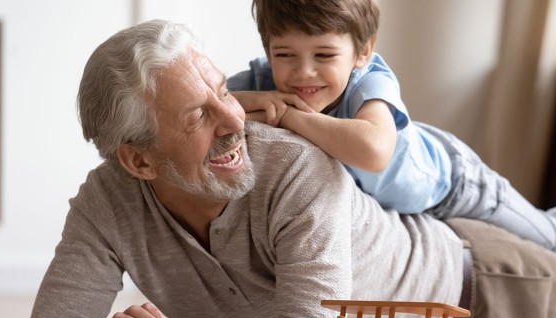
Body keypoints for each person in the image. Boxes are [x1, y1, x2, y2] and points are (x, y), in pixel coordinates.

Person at [21, 19, 556, 318]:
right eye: (197, 117)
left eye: (223, 93)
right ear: (138, 162)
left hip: (491, 289)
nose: (235, 121)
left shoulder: (295, 168)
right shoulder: (106, 200)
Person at [227, 0, 556, 251]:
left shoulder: (369, 81)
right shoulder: (262, 81)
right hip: (407, 205)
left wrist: (289, 115)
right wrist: (250, 102)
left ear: (363, 51)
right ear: (269, 52)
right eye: (285, 55)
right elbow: (199, 104)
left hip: (457, 186)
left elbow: (373, 151)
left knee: (546, 239)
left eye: (324, 56)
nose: (303, 72)